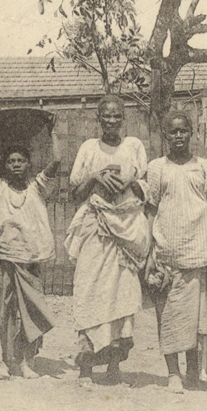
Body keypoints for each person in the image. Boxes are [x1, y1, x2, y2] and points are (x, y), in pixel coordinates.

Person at [0, 120, 60, 379]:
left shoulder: (37, 187)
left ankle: (27, 360)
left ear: (28, 164)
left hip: (29, 260)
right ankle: (10, 360)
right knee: (6, 311)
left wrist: (51, 132)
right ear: (5, 166)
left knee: (30, 310)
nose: (16, 164)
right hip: (5, 258)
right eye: (11, 161)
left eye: (21, 160)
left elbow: (57, 161)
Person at [64, 95, 150, 386]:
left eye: (116, 116)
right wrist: (96, 177)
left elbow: (146, 188)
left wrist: (131, 183)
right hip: (96, 229)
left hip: (125, 228)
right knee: (89, 293)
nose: (111, 121)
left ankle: (114, 366)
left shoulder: (134, 147)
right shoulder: (89, 148)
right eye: (106, 117)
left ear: (123, 118)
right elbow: (74, 193)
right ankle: (86, 367)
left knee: (121, 297)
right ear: (98, 119)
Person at [144, 110, 207, 393]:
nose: (178, 136)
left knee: (197, 320)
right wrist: (149, 249)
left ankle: (193, 372)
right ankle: (172, 373)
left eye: (183, 131)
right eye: (172, 131)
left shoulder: (205, 167)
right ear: (166, 135)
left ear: (191, 134)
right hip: (166, 253)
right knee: (168, 317)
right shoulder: (157, 168)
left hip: (198, 252)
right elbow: (150, 208)